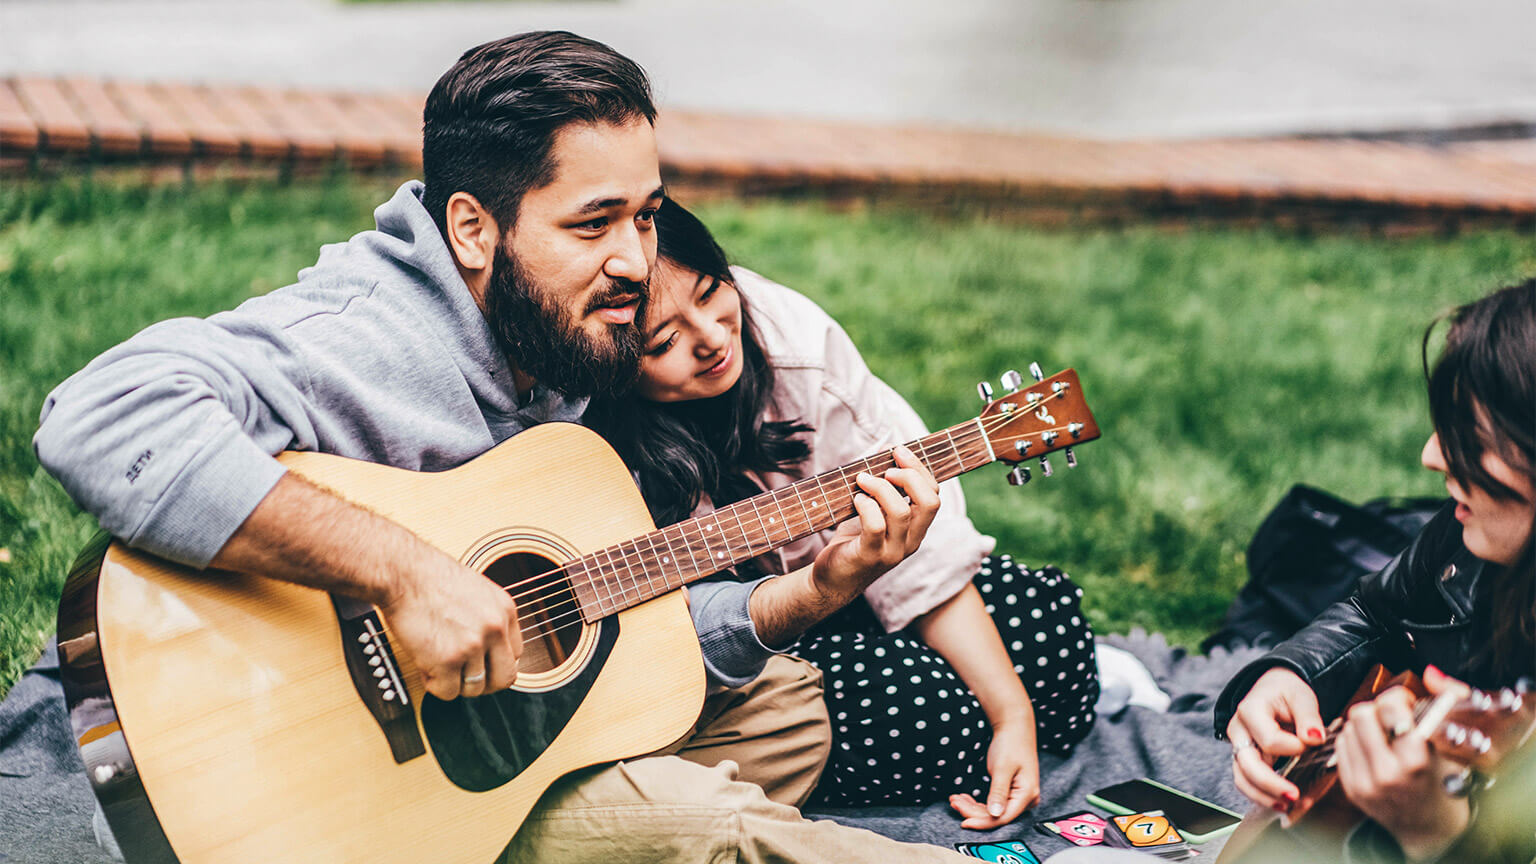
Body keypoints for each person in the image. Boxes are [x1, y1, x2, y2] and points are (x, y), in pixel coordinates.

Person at [34, 31, 980, 863]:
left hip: (472, 742)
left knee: (785, 708)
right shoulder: (365, 339)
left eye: (646, 215)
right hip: (272, 756)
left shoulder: (554, 346)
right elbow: (99, 412)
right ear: (472, 229)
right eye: (593, 222)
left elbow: (597, 625)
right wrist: (405, 575)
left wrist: (810, 593)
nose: (637, 262)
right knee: (709, 825)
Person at [586, 199, 1099, 831]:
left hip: (851, 584)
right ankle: (943, 726)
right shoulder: (588, 441)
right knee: (923, 709)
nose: (714, 337)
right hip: (735, 663)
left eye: (713, 290)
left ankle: (980, 721)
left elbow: (927, 566)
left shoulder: (793, 343)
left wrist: (1012, 716)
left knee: (1050, 632)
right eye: (664, 341)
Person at [1214, 280, 1536, 863]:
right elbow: (1373, 611)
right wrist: (1289, 673)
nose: (1432, 456)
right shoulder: (1463, 542)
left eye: (1471, 440)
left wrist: (1437, 836)